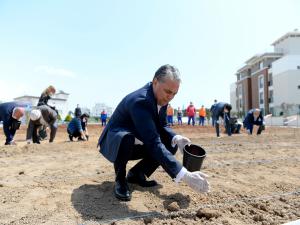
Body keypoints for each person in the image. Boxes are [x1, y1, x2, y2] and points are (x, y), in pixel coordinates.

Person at [97, 64, 210, 201]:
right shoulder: (140, 101)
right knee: (125, 137)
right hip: (116, 143)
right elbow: (153, 142)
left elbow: (162, 125)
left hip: (138, 139)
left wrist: (176, 137)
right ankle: (120, 179)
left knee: (171, 143)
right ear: (155, 81)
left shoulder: (161, 98)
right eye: (168, 92)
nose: (170, 97)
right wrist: (184, 175)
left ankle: (137, 174)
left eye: (174, 94)